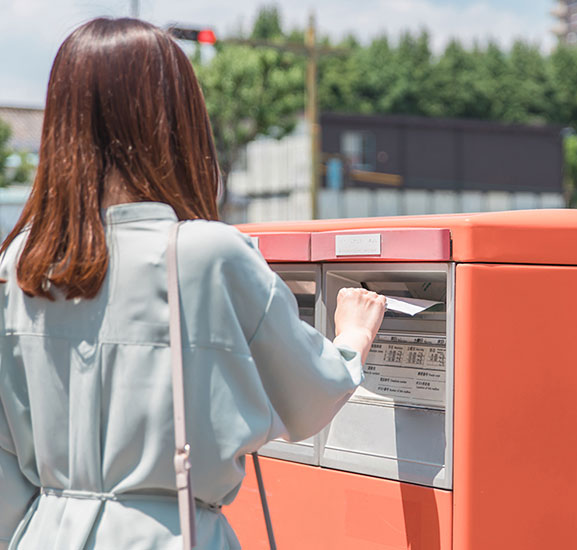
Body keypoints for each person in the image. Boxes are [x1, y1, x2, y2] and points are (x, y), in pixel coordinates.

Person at [0, 17, 386, 550]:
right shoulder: (209, 254)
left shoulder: (20, 264)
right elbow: (309, 397)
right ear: (176, 121)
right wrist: (352, 338)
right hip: (169, 533)